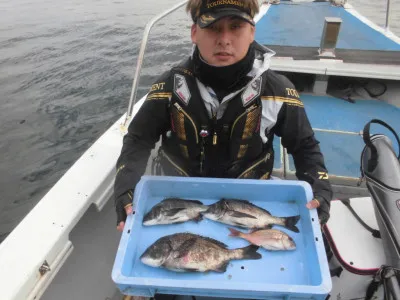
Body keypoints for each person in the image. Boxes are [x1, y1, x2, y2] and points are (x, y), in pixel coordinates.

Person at [114, 0, 333, 232]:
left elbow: (304, 146)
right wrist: (125, 186)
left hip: (249, 203)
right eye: (213, 28)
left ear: (252, 32)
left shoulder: (278, 92)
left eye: (236, 27)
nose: (224, 40)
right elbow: (139, 138)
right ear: (194, 33)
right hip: (177, 200)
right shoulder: (168, 87)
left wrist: (319, 186)